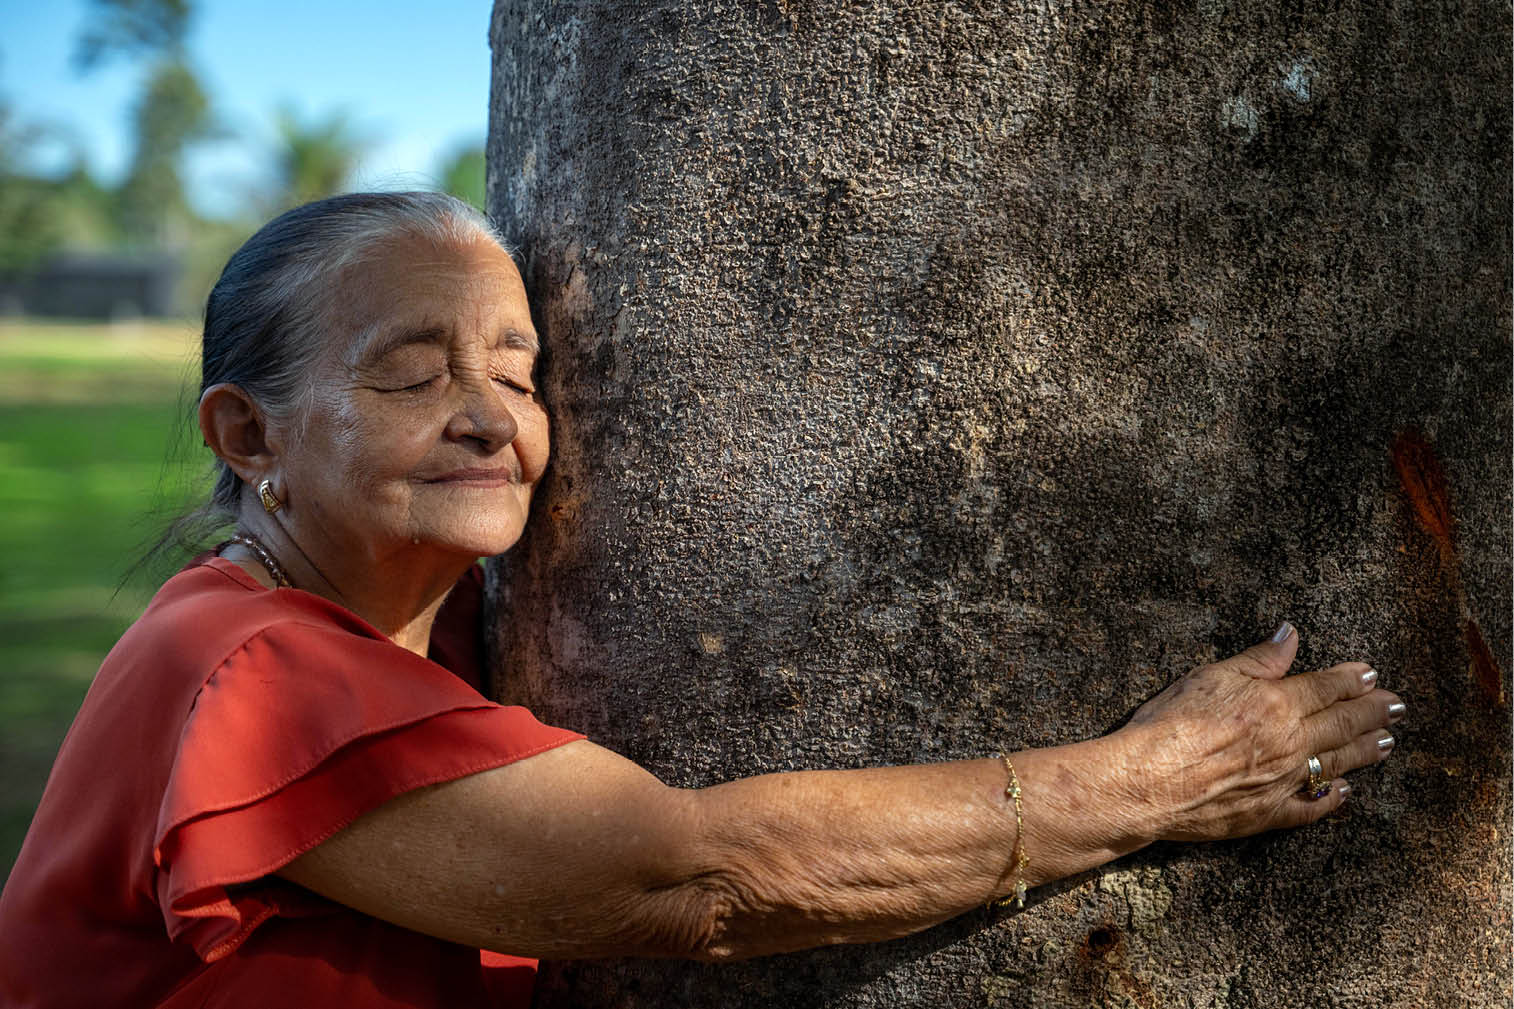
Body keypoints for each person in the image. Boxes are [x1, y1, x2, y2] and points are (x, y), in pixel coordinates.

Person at [0, 192, 1406, 1007]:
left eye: (518, 366)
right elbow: (692, 878)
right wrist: (1156, 779)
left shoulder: (462, 633)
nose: (493, 416)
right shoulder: (244, 670)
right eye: (413, 372)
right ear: (248, 438)